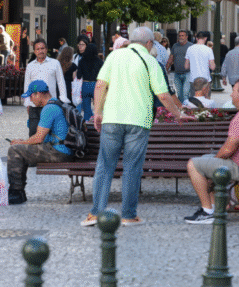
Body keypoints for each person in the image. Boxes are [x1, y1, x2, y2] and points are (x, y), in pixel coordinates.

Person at [81, 27, 183, 227]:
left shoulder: (114, 57)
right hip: (139, 120)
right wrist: (178, 114)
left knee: (105, 166)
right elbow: (163, 96)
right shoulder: (151, 62)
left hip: (112, 118)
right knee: (132, 168)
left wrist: (98, 112)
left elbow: (100, 85)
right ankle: (128, 215)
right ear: (148, 43)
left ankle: (95, 213)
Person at [184, 79, 239, 224]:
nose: (231, 95)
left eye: (233, 91)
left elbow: (227, 150)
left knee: (193, 164)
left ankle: (207, 212)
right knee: (206, 158)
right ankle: (215, 207)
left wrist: (217, 160)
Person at [7, 80, 74, 204]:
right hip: (64, 149)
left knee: (14, 150)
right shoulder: (57, 104)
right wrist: (25, 142)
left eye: (31, 96)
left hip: (59, 152)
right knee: (22, 150)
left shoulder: (48, 109)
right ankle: (18, 191)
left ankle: (16, 193)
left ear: (38, 94)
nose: (30, 100)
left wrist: (21, 143)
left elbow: (39, 138)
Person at [23, 39, 69, 137]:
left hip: (50, 105)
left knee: (50, 134)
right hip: (34, 106)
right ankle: (33, 152)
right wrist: (27, 102)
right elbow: (27, 85)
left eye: (42, 48)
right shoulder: (30, 66)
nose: (40, 51)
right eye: (38, 49)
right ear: (34, 51)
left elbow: (61, 82)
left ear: (46, 49)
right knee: (33, 133)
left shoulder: (55, 63)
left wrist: (63, 99)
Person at [76, 42, 103, 121]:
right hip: (96, 85)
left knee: (86, 109)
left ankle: (87, 125)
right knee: (98, 108)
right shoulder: (99, 61)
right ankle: (97, 123)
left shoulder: (82, 61)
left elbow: (78, 76)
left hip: (85, 85)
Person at [167, 29, 192, 103]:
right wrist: (167, 68)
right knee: (179, 94)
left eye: (182, 36)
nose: (181, 37)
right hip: (177, 73)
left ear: (186, 37)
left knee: (185, 93)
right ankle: (182, 109)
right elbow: (171, 57)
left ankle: (187, 108)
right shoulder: (175, 46)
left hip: (188, 73)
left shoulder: (191, 46)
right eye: (180, 36)